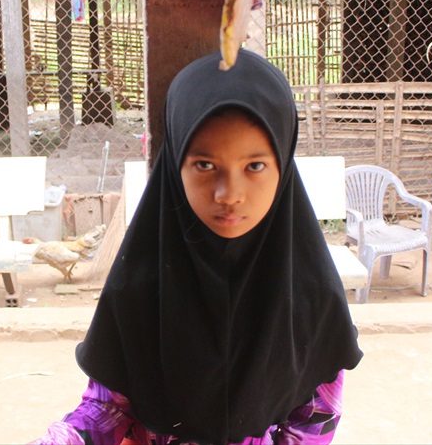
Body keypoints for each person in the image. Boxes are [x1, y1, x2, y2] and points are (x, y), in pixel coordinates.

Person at [33, 49, 363, 445]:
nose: (229, 194)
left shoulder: (312, 297)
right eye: (205, 165)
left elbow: (314, 419)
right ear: (175, 164)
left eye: (254, 166)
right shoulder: (138, 289)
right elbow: (108, 408)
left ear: (283, 163)